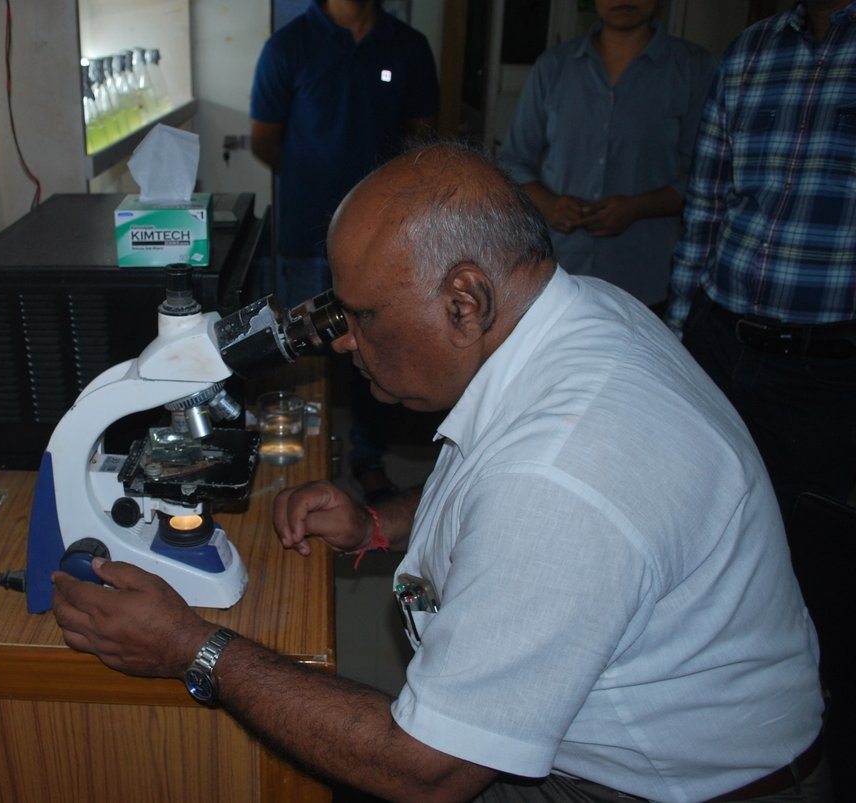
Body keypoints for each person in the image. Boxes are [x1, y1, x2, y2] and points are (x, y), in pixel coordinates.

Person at [51, 143, 828, 802]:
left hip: (661, 786)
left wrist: (192, 646)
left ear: (465, 300)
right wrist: (380, 520)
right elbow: (500, 480)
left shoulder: (563, 478)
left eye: (362, 316)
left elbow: (426, 771)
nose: (345, 341)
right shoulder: (579, 313)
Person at [665, 0, 856, 523]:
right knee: (687, 506)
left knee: (795, 531)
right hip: (720, 340)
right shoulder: (752, 51)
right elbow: (706, 205)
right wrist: (680, 337)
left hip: (828, 366)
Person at [250, 0, 440, 500]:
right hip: (305, 233)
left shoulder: (409, 46)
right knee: (302, 349)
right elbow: (265, 141)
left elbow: (420, 137)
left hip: (384, 237)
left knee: (376, 348)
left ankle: (367, 457)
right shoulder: (287, 47)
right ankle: (301, 461)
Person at [498, 0, 715, 309]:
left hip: (643, 277)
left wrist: (638, 207)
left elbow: (707, 179)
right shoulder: (555, 66)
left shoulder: (694, 68)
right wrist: (549, 204)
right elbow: (513, 159)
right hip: (558, 272)